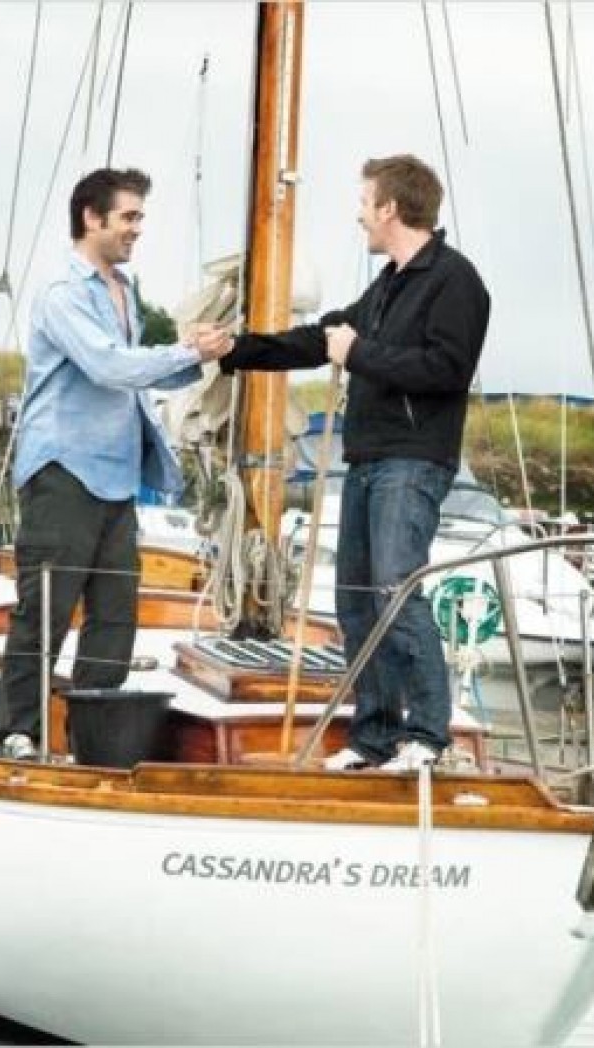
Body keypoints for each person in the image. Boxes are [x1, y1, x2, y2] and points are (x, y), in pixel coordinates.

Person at [219, 154, 490, 772]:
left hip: (412, 460)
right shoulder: (389, 284)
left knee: (396, 590)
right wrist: (235, 349)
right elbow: (321, 339)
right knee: (358, 602)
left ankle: (428, 737)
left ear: (390, 207)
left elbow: (448, 369)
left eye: (366, 202)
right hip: (367, 459)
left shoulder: (455, 280)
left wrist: (360, 352)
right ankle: (374, 741)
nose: (359, 214)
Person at [0, 167, 230, 760]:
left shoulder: (121, 289)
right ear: (91, 218)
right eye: (129, 216)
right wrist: (184, 349)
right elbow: (108, 365)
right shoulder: (63, 294)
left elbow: (138, 368)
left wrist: (203, 356)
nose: (137, 228)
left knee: (115, 617)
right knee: (45, 610)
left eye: (139, 217)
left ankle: (92, 740)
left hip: (117, 479)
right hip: (64, 472)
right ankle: (19, 734)